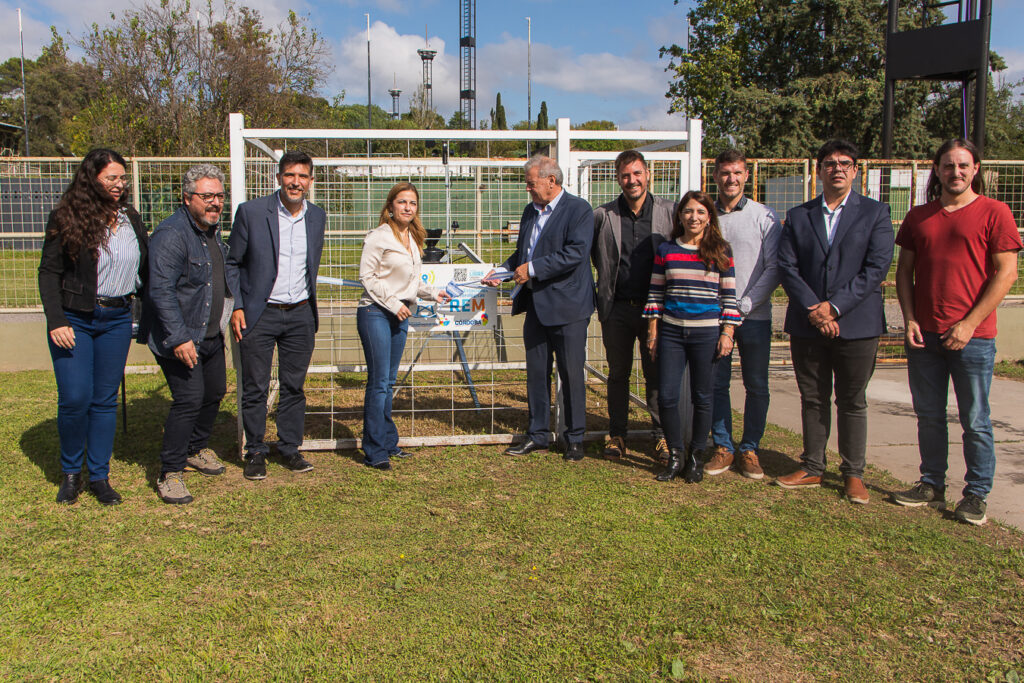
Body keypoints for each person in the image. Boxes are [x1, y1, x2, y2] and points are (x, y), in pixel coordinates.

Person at [892, 139, 1021, 526]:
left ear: (975, 168)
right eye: (948, 166)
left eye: (963, 165)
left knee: (975, 418)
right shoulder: (919, 217)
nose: (956, 172)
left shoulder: (995, 212)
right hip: (925, 336)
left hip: (974, 337)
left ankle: (976, 494)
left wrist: (968, 323)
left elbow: (1007, 273)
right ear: (938, 170)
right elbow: (904, 272)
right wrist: (911, 318)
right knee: (929, 414)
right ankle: (931, 483)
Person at [776, 139, 894, 504]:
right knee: (813, 397)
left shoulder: (875, 213)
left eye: (845, 163)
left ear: (855, 170)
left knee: (852, 399)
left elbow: (876, 269)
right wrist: (815, 308)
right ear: (820, 170)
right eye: (830, 163)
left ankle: (853, 473)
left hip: (856, 324)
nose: (837, 168)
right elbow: (787, 266)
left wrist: (835, 308)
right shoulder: (799, 216)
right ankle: (812, 466)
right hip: (808, 322)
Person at [38, 148, 148, 505]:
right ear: (92, 178)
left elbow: (144, 268)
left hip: (117, 319)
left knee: (104, 401)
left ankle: (99, 475)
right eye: (111, 178)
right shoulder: (67, 216)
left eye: (122, 178)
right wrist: (56, 320)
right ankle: (71, 473)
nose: (119, 184)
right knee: (75, 398)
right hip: (75, 319)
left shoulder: (131, 217)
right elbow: (49, 272)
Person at [483, 156, 596, 462]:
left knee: (572, 375)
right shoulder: (530, 211)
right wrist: (502, 272)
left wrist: (531, 269)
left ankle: (574, 438)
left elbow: (574, 253)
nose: (527, 189)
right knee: (536, 374)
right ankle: (538, 436)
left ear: (551, 181)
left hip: (569, 307)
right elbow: (523, 253)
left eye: (531, 183)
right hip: (536, 306)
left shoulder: (579, 210)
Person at [225, 151, 326, 481]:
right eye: (289, 175)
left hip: (300, 314)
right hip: (260, 313)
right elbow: (232, 262)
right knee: (254, 386)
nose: (296, 182)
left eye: (302, 176)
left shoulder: (317, 217)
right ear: (278, 177)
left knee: (293, 387)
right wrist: (238, 304)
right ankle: (255, 451)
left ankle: (289, 448)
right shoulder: (252, 213)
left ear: (311, 181)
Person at [145, 164, 231, 504]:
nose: (214, 203)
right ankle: (170, 470)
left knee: (215, 391)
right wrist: (179, 338)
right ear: (187, 198)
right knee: (189, 399)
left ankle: (196, 448)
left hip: (210, 335)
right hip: (181, 337)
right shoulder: (171, 235)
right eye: (206, 196)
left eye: (219, 196)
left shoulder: (211, 231)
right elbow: (161, 292)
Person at [645, 190, 740, 483]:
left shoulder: (721, 250)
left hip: (707, 333)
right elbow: (656, 292)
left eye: (700, 212)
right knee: (668, 397)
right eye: (688, 211)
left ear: (708, 216)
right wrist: (652, 331)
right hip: (672, 332)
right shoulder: (666, 250)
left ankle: (697, 456)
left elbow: (729, 295)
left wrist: (727, 332)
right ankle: (676, 455)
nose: (693, 217)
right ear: (680, 216)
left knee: (703, 397)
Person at [357, 183, 451, 470]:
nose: (408, 207)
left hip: (401, 314)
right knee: (379, 383)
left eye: (412, 202)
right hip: (376, 312)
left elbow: (410, 281)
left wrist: (432, 293)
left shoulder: (413, 238)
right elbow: (367, 276)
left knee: (389, 382)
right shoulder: (378, 237)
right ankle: (374, 450)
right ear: (390, 207)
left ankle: (387, 442)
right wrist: (393, 302)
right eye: (402, 202)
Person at [592, 150, 675, 462]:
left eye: (637, 174)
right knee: (618, 374)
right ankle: (617, 435)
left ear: (648, 175)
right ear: (618, 178)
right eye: (626, 175)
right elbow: (592, 258)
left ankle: (661, 436)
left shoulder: (670, 212)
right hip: (618, 310)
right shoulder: (603, 215)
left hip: (659, 310)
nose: (632, 181)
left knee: (657, 375)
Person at [706, 149, 781, 480]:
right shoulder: (707, 216)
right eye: (725, 173)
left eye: (737, 173)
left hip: (754, 318)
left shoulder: (765, 217)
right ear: (716, 175)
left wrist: (744, 305)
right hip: (715, 318)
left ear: (747, 176)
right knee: (717, 383)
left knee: (756, 384)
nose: (730, 179)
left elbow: (774, 267)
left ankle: (750, 448)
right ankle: (723, 446)